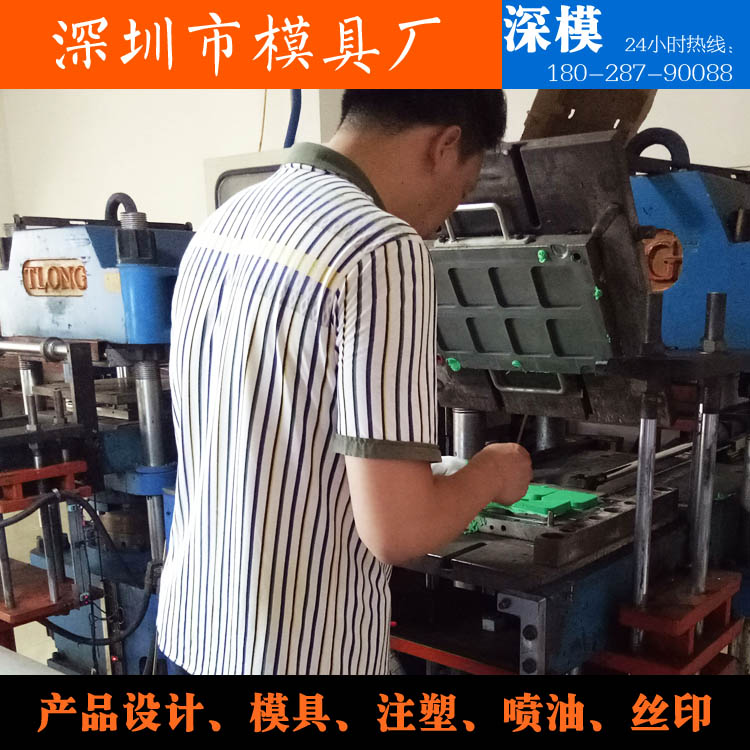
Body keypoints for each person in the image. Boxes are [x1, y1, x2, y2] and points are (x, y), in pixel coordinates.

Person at [156, 90, 532, 675]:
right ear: (446, 144)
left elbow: (279, 439)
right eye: (461, 191)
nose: (442, 220)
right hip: (298, 654)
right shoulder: (382, 247)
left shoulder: (225, 222)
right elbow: (399, 531)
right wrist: (492, 471)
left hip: (195, 631)